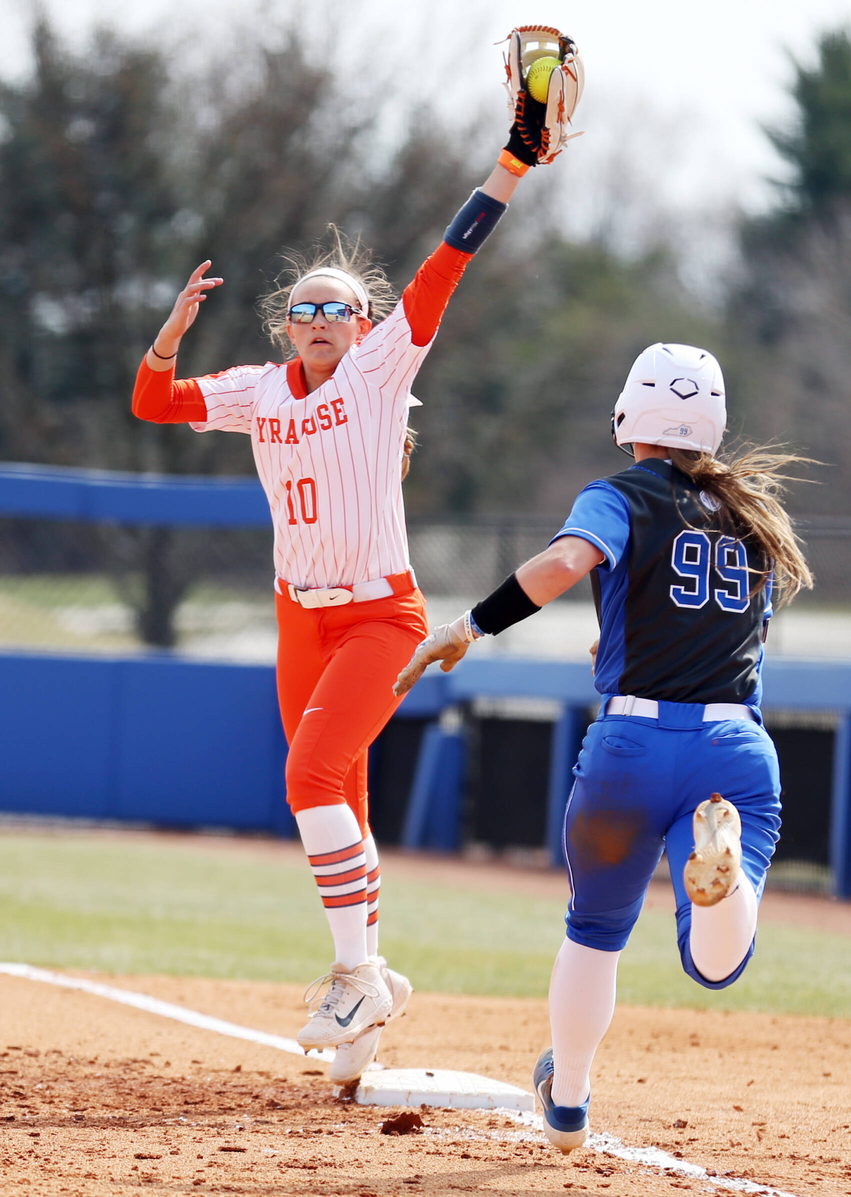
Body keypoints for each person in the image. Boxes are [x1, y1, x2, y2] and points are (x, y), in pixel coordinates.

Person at [130, 30, 584, 1088]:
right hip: (301, 614)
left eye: (340, 305)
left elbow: (447, 262)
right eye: (307, 307)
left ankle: (356, 975)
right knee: (346, 795)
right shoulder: (253, 389)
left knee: (308, 776)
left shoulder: (380, 371)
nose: (323, 317)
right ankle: (364, 1032)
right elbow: (154, 401)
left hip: (380, 614)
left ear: (366, 325)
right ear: (287, 328)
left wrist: (510, 163)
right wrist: (169, 333)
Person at [394, 342, 813, 1150]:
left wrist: (468, 625)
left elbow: (564, 563)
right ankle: (718, 890)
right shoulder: (752, 514)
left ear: (628, 417)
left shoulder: (619, 493)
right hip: (732, 749)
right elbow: (724, 633)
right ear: (713, 427)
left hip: (631, 744)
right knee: (717, 964)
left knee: (594, 927)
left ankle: (570, 1101)